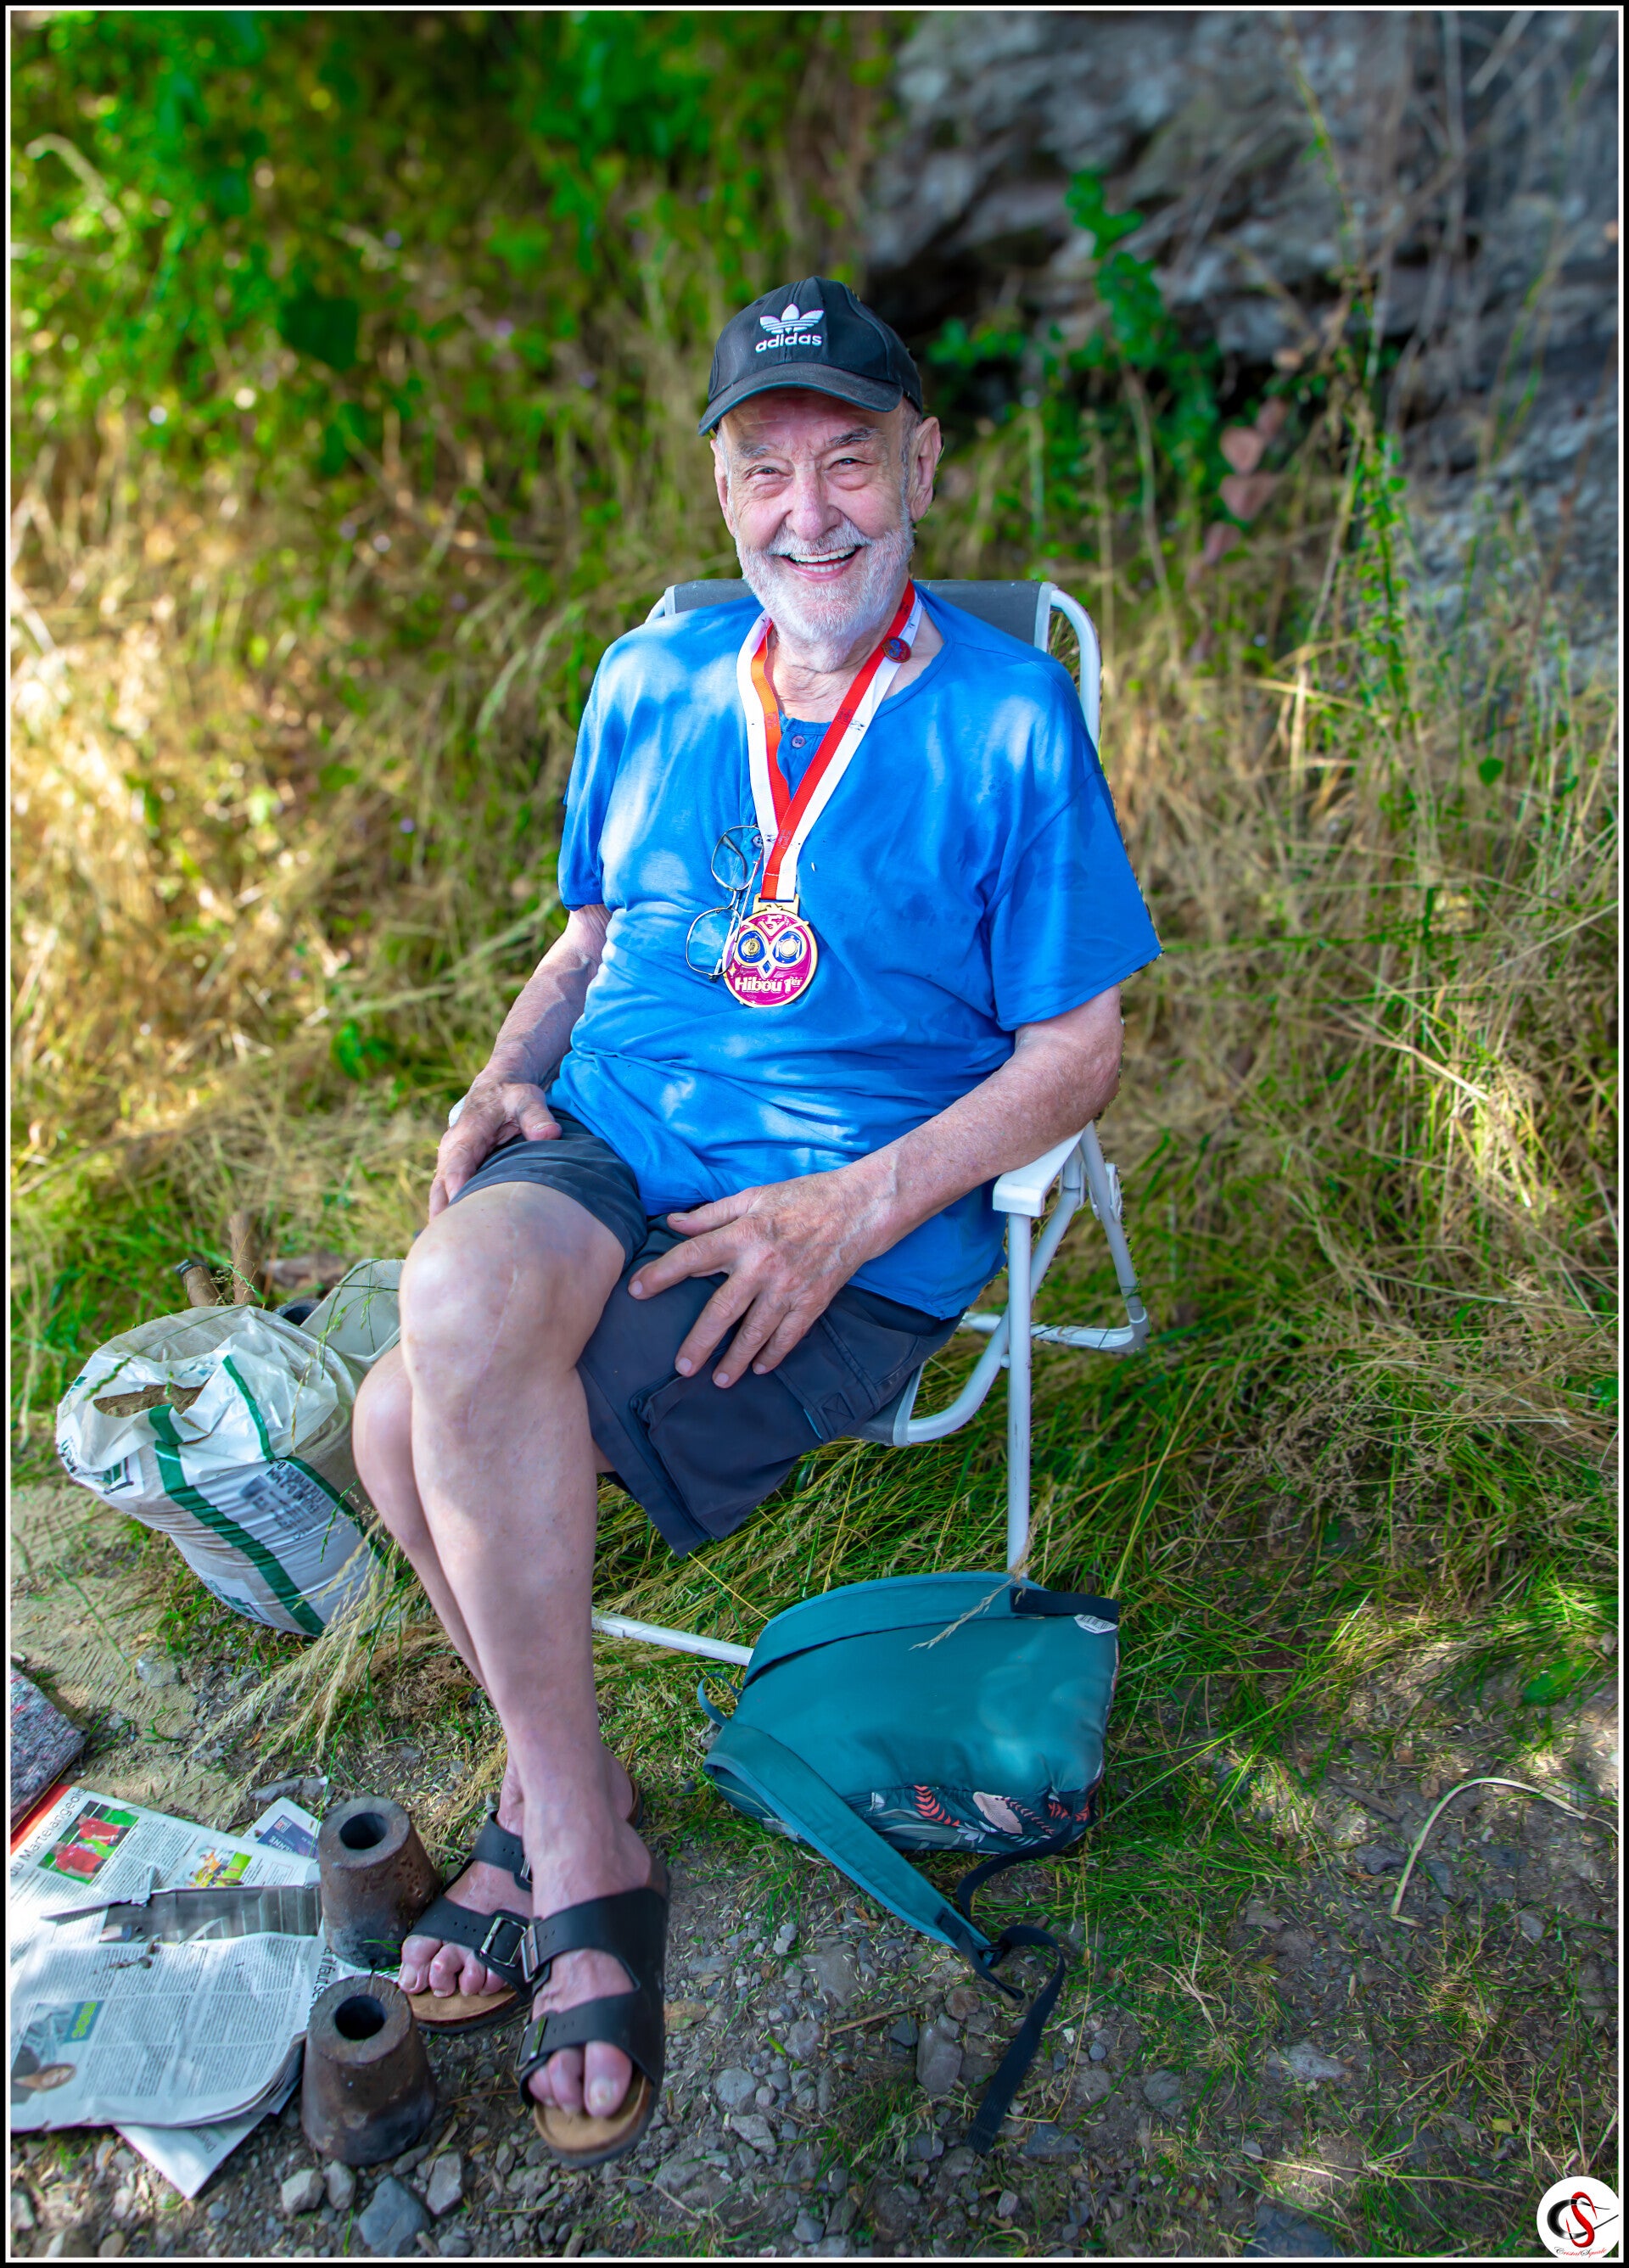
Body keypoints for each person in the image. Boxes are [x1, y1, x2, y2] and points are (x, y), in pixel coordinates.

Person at [351, 276, 1160, 2165]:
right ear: (721, 489)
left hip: (830, 1212)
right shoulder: (649, 677)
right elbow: (590, 935)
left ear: (922, 468)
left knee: (397, 1422)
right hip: (612, 1140)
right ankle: (582, 1829)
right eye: (765, 469)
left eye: (849, 461)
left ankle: (558, 1820)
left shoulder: (1008, 717)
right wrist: (503, 1068)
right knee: (454, 1294)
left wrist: (846, 1212)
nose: (810, 512)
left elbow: (1081, 1050)